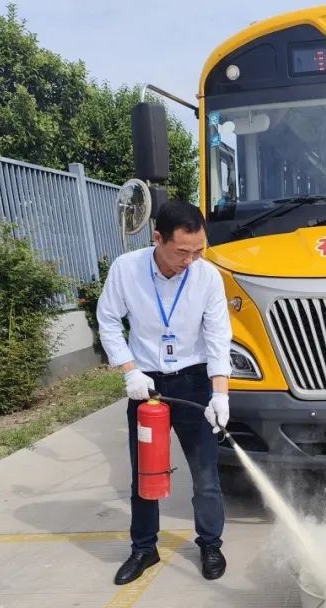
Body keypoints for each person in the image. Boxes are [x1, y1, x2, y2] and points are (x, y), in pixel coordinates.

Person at [96, 198, 232, 585]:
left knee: (206, 473)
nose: (190, 259)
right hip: (147, 387)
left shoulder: (207, 277)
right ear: (157, 237)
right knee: (146, 472)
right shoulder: (127, 270)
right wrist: (130, 371)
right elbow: (107, 321)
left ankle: (210, 543)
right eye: (181, 251)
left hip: (193, 379)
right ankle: (144, 548)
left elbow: (219, 336)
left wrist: (219, 393)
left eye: (198, 250)